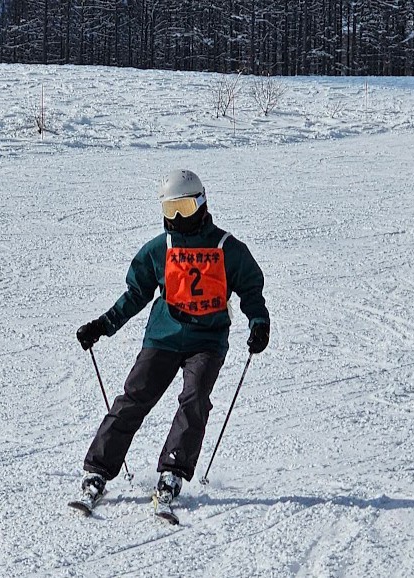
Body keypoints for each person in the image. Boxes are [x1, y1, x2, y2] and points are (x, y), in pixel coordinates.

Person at [74, 169, 270, 513]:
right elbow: (136, 294)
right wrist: (102, 325)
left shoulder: (227, 248)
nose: (177, 218)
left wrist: (259, 321)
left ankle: (172, 471)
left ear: (202, 203)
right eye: (170, 210)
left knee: (195, 399)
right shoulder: (160, 248)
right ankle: (97, 473)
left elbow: (251, 289)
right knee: (134, 398)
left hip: (207, 341)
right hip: (163, 336)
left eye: (184, 209)